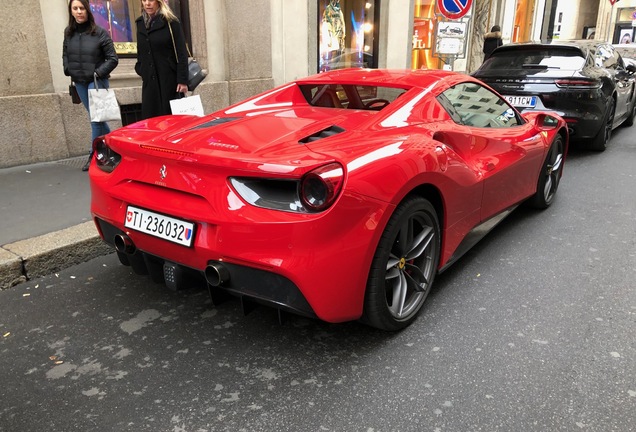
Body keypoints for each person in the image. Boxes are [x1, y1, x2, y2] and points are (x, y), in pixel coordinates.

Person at [63, 0, 119, 171]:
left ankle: (94, 155)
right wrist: (68, 69)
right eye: (75, 8)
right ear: (71, 11)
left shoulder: (99, 33)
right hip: (79, 81)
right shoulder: (69, 33)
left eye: (82, 8)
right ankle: (116, 148)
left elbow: (113, 59)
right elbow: (65, 54)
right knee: (98, 119)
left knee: (96, 120)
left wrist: (98, 73)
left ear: (88, 10)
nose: (79, 12)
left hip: (96, 82)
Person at [135, 0, 189, 119]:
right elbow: (141, 51)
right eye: (144, 0)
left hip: (169, 81)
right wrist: (141, 69)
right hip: (150, 83)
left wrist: (182, 80)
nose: (147, 3)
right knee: (152, 122)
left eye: (151, 0)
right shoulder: (140, 23)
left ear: (158, 2)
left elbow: (181, 53)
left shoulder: (171, 22)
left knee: (171, 121)